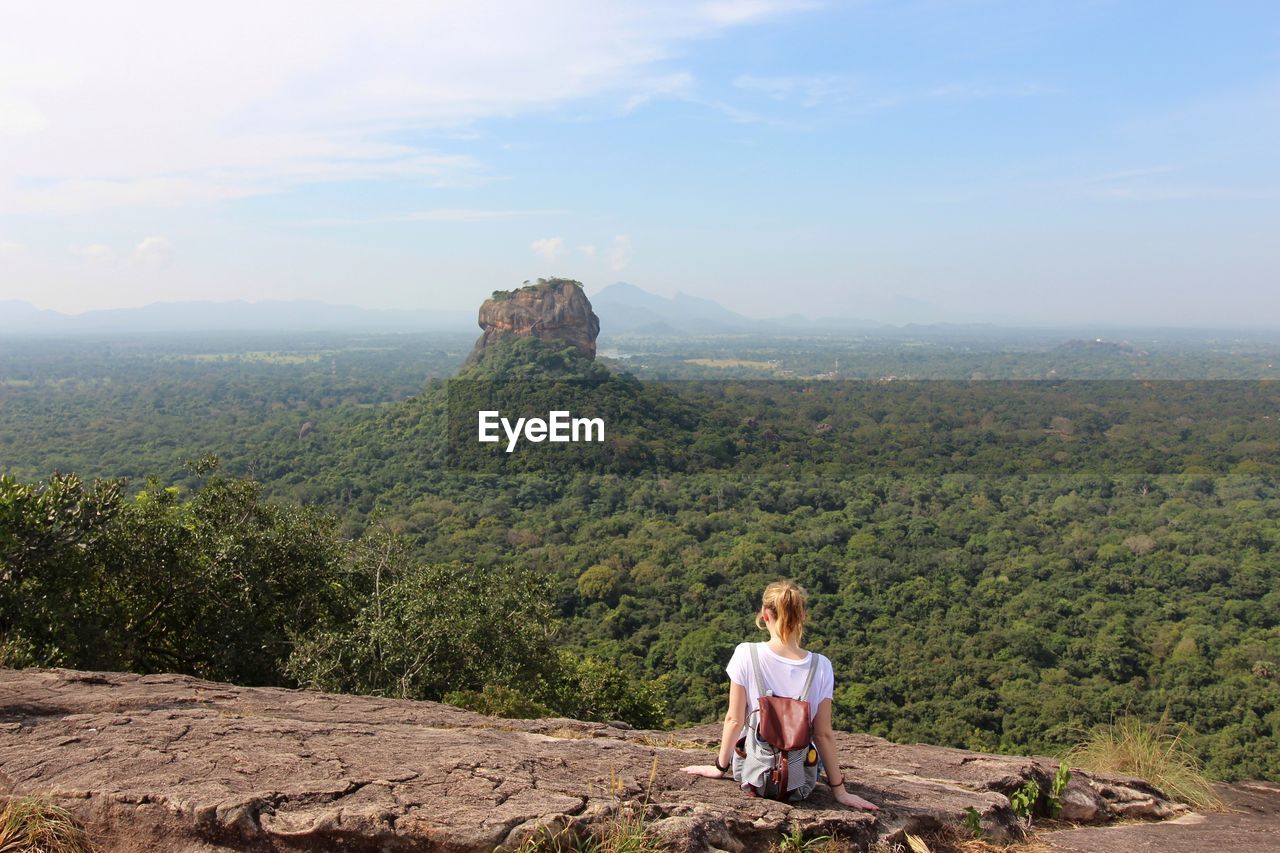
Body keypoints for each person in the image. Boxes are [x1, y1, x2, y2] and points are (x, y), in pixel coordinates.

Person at [680, 579, 879, 810]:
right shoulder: (821, 665)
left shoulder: (746, 654)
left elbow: (734, 720)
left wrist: (719, 767)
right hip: (800, 781)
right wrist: (840, 791)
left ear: (765, 614)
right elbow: (823, 734)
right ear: (802, 615)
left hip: (753, 772)